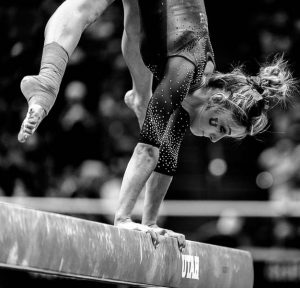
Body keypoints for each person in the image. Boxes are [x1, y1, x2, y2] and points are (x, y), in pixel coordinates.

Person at [18, 0, 296, 250]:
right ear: (217, 99)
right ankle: (48, 83)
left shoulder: (193, 92)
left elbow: (166, 160)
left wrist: (149, 223)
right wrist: (124, 218)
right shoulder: (185, 70)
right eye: (219, 127)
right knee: (83, 9)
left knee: (135, 17)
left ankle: (140, 96)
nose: (213, 139)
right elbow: (147, 150)